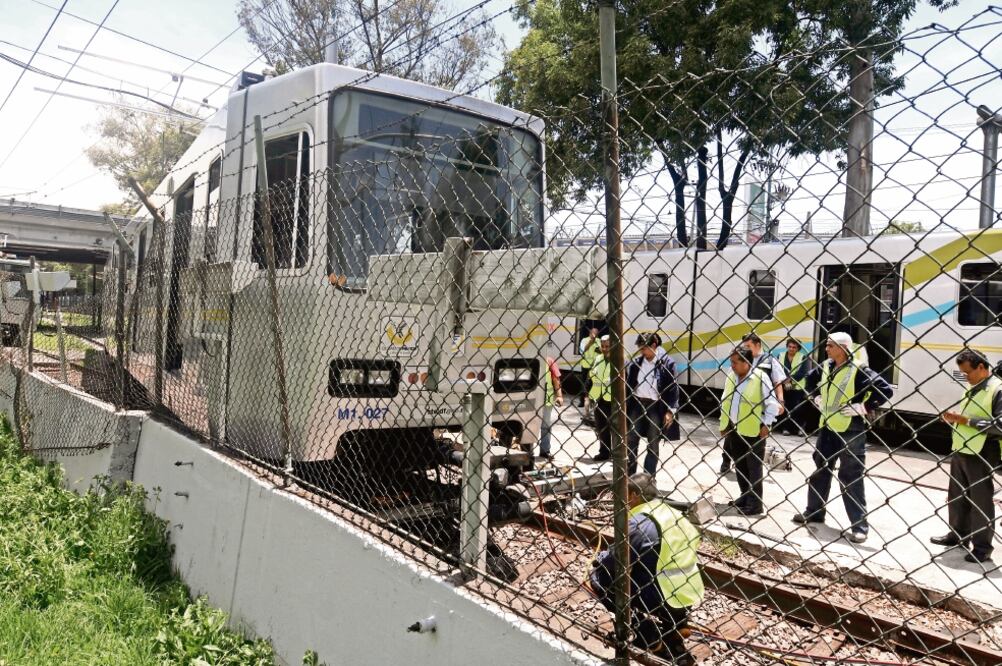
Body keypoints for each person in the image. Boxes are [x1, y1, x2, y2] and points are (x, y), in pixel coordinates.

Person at [590, 473, 704, 664]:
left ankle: (647, 634)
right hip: (687, 592)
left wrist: (599, 558)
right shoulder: (673, 514)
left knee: (599, 577)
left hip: (660, 595)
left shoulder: (639, 522)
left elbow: (614, 561)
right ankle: (676, 626)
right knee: (649, 566)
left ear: (633, 495)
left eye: (622, 495)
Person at [793, 332, 892, 544]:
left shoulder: (859, 370)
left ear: (843, 348)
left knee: (851, 477)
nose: (826, 349)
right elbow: (808, 382)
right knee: (820, 471)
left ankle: (859, 526)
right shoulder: (826, 366)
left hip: (850, 429)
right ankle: (814, 511)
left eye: (830, 346)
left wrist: (863, 407)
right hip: (828, 427)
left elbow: (885, 390)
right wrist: (815, 397)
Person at [936, 350, 1002, 564]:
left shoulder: (997, 389)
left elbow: (999, 425)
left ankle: (982, 548)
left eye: (968, 372)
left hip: (982, 450)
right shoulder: (974, 386)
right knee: (957, 496)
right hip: (962, 448)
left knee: (980, 500)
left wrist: (965, 421)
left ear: (982, 367)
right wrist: (954, 419)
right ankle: (957, 535)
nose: (966, 377)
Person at [719, 346, 780, 516]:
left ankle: (755, 504)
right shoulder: (732, 376)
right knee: (740, 465)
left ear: (746, 362)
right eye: (731, 362)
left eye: (735, 362)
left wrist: (767, 424)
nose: (732, 365)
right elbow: (726, 400)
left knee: (754, 468)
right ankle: (745, 496)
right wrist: (724, 424)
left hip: (754, 430)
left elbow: (772, 404)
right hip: (734, 428)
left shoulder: (760, 378)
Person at [720, 332, 787, 474]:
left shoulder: (769, 360)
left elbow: (777, 381)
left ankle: (752, 480)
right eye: (745, 346)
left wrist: (780, 400)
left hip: (758, 408)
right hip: (738, 408)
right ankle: (726, 462)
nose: (747, 349)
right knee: (731, 439)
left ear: (758, 345)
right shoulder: (740, 359)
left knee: (753, 446)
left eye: (749, 346)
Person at [626, 333, 681, 475]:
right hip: (637, 405)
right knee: (631, 440)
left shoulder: (667, 364)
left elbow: (673, 389)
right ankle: (629, 476)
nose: (641, 352)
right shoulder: (637, 363)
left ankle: (647, 478)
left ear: (654, 346)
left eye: (644, 348)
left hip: (655, 407)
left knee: (653, 443)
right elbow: (629, 385)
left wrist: (670, 411)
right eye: (640, 349)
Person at [776, 338, 812, 435]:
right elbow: (777, 369)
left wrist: (789, 380)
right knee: (785, 407)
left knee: (798, 408)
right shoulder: (780, 356)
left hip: (797, 387)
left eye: (794, 347)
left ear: (798, 349)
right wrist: (784, 381)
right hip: (783, 386)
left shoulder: (804, 357)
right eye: (790, 347)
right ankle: (786, 428)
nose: (791, 349)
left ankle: (799, 428)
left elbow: (803, 372)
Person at [589, 336, 613, 462]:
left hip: (614, 400)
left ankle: (617, 452)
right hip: (599, 398)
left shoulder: (619, 361)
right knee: (601, 428)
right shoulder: (598, 359)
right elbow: (591, 377)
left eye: (607, 346)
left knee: (615, 429)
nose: (604, 349)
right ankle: (604, 452)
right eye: (602, 346)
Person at [537, 356, 563, 461]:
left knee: (545, 425)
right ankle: (525, 450)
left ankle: (545, 450)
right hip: (531, 398)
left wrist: (559, 396)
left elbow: (555, 379)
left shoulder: (549, 361)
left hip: (546, 399)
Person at [579, 328, 601, 411]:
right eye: (592, 333)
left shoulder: (599, 341)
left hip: (596, 366)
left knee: (594, 384)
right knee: (584, 383)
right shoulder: (584, 340)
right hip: (586, 365)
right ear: (589, 333)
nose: (594, 335)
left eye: (596, 333)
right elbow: (582, 350)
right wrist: (591, 342)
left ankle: (592, 401)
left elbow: (602, 351)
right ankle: (582, 401)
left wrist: (598, 347)